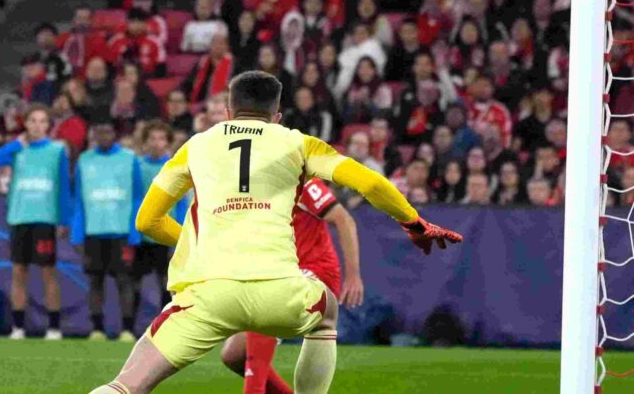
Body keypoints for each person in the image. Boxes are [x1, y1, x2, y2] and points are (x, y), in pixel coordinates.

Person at [88, 71, 462, 394]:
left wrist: (195, 240)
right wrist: (414, 224)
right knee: (327, 311)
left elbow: (146, 222)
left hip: (207, 296)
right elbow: (371, 184)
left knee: (126, 385)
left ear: (228, 112)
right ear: (277, 116)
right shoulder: (296, 142)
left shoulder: (197, 146)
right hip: (280, 291)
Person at [219, 177, 364, 394]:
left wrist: (353, 276)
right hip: (283, 271)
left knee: (268, 302)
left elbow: (344, 219)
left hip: (317, 272)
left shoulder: (301, 180)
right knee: (234, 355)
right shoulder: (249, 190)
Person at [0, 105, 71, 340]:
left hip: (45, 218)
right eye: (32, 120)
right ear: (26, 124)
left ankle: (54, 328)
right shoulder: (17, 149)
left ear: (48, 126)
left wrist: (64, 219)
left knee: (48, 272)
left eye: (42, 121)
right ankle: (18, 328)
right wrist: (15, 144)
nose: (37, 125)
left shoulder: (57, 150)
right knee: (19, 272)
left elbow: (63, 185)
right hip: (19, 217)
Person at [73, 122, 144, 341]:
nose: (103, 135)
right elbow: (79, 199)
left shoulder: (130, 158)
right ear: (92, 134)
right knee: (95, 282)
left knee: (125, 281)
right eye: (99, 132)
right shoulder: (84, 160)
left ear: (115, 134)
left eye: (108, 131)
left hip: (121, 232)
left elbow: (138, 197)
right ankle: (97, 329)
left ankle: (127, 330)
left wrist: (135, 231)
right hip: (93, 232)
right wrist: (77, 232)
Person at [133, 121, 188, 313]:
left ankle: (167, 321)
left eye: (161, 138)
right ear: (145, 142)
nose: (157, 143)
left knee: (168, 281)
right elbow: (134, 199)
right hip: (142, 235)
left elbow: (182, 203)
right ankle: (131, 327)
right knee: (136, 280)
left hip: (167, 232)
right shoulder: (137, 166)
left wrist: (181, 235)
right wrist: (134, 233)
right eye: (153, 138)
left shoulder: (176, 166)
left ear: (168, 142)